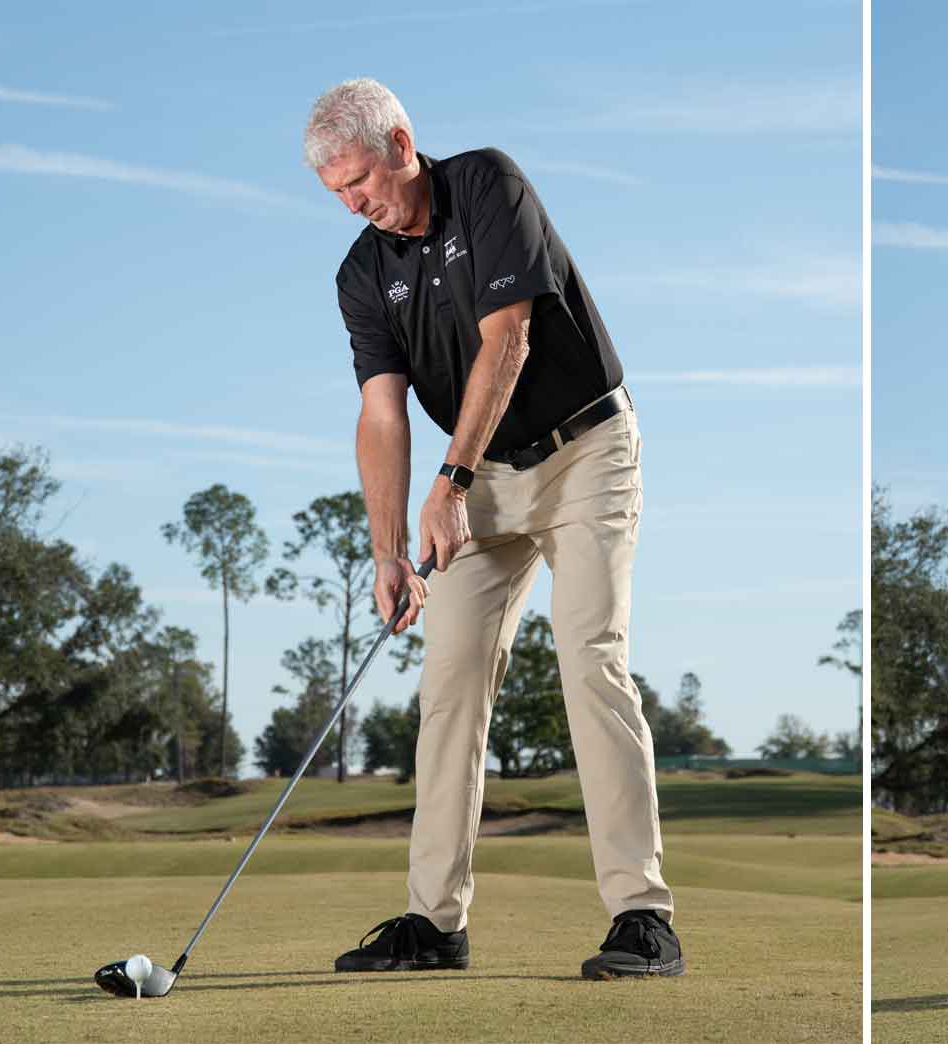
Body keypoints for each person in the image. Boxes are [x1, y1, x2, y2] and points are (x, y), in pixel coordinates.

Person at [301, 78, 682, 980]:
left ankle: (642, 915)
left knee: (590, 660)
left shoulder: (487, 185)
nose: (356, 204)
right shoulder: (362, 273)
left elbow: (505, 340)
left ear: (400, 142)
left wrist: (450, 482)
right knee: (449, 680)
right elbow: (381, 415)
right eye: (338, 195)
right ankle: (434, 924)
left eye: (361, 180)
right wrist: (388, 550)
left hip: (587, 447)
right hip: (484, 479)